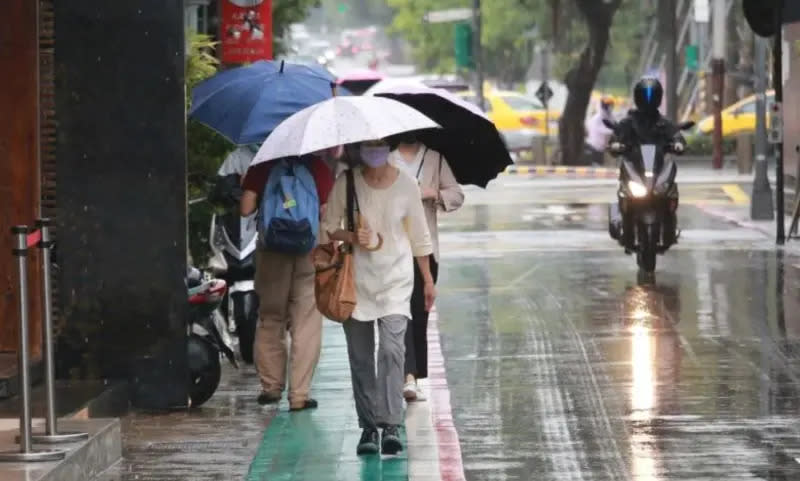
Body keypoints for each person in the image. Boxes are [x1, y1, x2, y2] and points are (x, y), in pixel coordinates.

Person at [321, 139, 436, 456]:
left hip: (397, 282)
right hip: (356, 283)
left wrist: (427, 280)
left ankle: (391, 424)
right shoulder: (347, 182)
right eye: (367, 145)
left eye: (379, 145)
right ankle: (369, 427)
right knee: (360, 359)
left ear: (389, 147)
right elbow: (330, 226)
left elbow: (420, 236)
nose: (373, 150)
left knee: (391, 351)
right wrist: (351, 236)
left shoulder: (406, 185)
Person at [239, 152, 334, 411]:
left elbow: (245, 208)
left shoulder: (262, 165)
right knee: (306, 321)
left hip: (272, 251)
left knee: (271, 316)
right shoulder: (318, 167)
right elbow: (326, 213)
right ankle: (299, 395)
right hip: (308, 250)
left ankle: (271, 387)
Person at [387, 132, 464, 402]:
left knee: (419, 313)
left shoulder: (435, 158)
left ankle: (414, 376)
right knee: (397, 312)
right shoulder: (386, 157)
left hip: (426, 248)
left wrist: (434, 193)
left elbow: (457, 194)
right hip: (392, 249)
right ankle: (406, 375)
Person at [609, 77, 686, 247]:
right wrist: (616, 144)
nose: (648, 101)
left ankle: (670, 225)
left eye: (652, 96)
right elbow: (617, 136)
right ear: (638, 97)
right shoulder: (628, 122)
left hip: (657, 168)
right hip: (636, 167)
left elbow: (675, 134)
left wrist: (678, 143)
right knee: (624, 189)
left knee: (670, 189)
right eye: (645, 97)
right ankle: (621, 221)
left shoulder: (664, 123)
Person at [584, 97, 615, 166]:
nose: (611, 107)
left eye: (611, 105)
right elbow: (602, 130)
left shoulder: (610, 117)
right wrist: (613, 131)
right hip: (594, 147)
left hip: (602, 149)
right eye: (609, 105)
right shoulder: (598, 118)